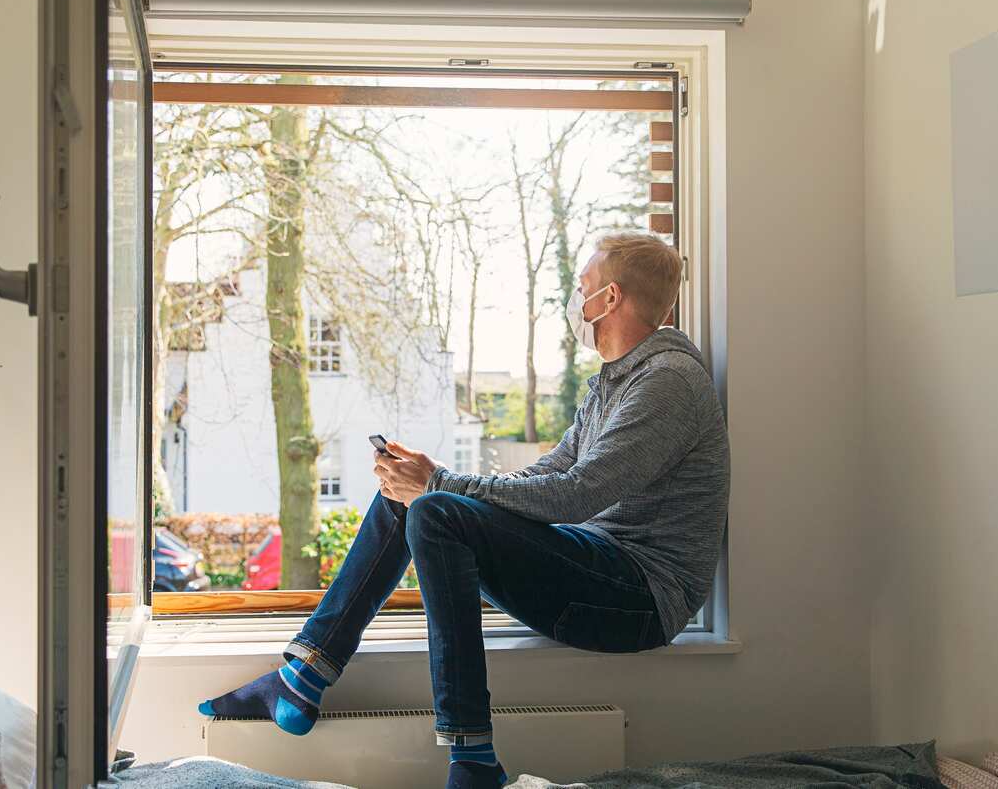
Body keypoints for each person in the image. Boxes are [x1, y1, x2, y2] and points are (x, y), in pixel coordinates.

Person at [199, 232, 730, 789]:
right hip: (598, 571)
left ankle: (471, 757)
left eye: (584, 288)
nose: (578, 299)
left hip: (638, 597)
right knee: (411, 499)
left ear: (611, 298)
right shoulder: (614, 381)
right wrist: (434, 480)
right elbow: (545, 474)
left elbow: (574, 495)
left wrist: (442, 485)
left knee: (432, 506)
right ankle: (304, 676)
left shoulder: (667, 382)